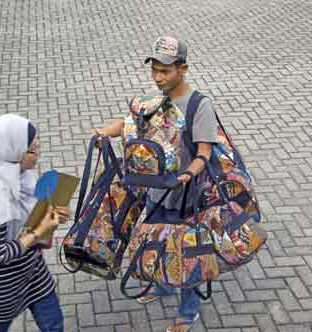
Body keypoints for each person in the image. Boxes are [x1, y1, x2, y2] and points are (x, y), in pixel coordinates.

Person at [93, 36, 220, 332]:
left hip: (188, 196)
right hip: (156, 192)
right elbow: (127, 123)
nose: (158, 77)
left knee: (186, 253)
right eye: (155, 70)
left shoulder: (199, 106)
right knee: (157, 242)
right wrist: (103, 132)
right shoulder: (155, 102)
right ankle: (162, 286)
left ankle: (188, 311)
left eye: (165, 71)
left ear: (183, 69)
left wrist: (188, 174)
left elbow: (204, 153)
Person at [0, 114, 70, 332]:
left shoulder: (22, 177)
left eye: (38, 144)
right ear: (14, 153)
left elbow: (32, 220)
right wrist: (38, 232)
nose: (38, 152)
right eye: (32, 149)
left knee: (54, 323)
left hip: (32, 270)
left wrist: (52, 218)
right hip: (2, 288)